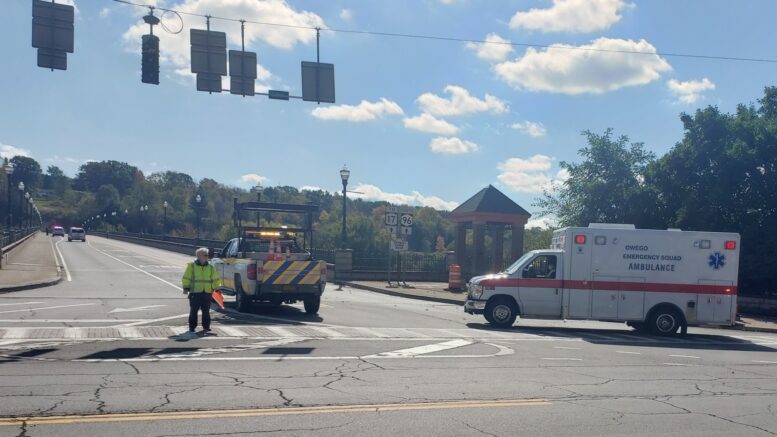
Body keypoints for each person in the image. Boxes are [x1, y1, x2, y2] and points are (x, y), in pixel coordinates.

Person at [182, 247, 221, 334]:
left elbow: (215, 279)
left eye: (207, 255)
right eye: (205, 255)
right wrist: (186, 288)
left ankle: (206, 327)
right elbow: (186, 278)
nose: (207, 257)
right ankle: (192, 327)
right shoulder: (191, 266)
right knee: (194, 311)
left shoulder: (211, 267)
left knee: (206, 311)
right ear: (199, 256)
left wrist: (217, 287)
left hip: (207, 292)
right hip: (195, 292)